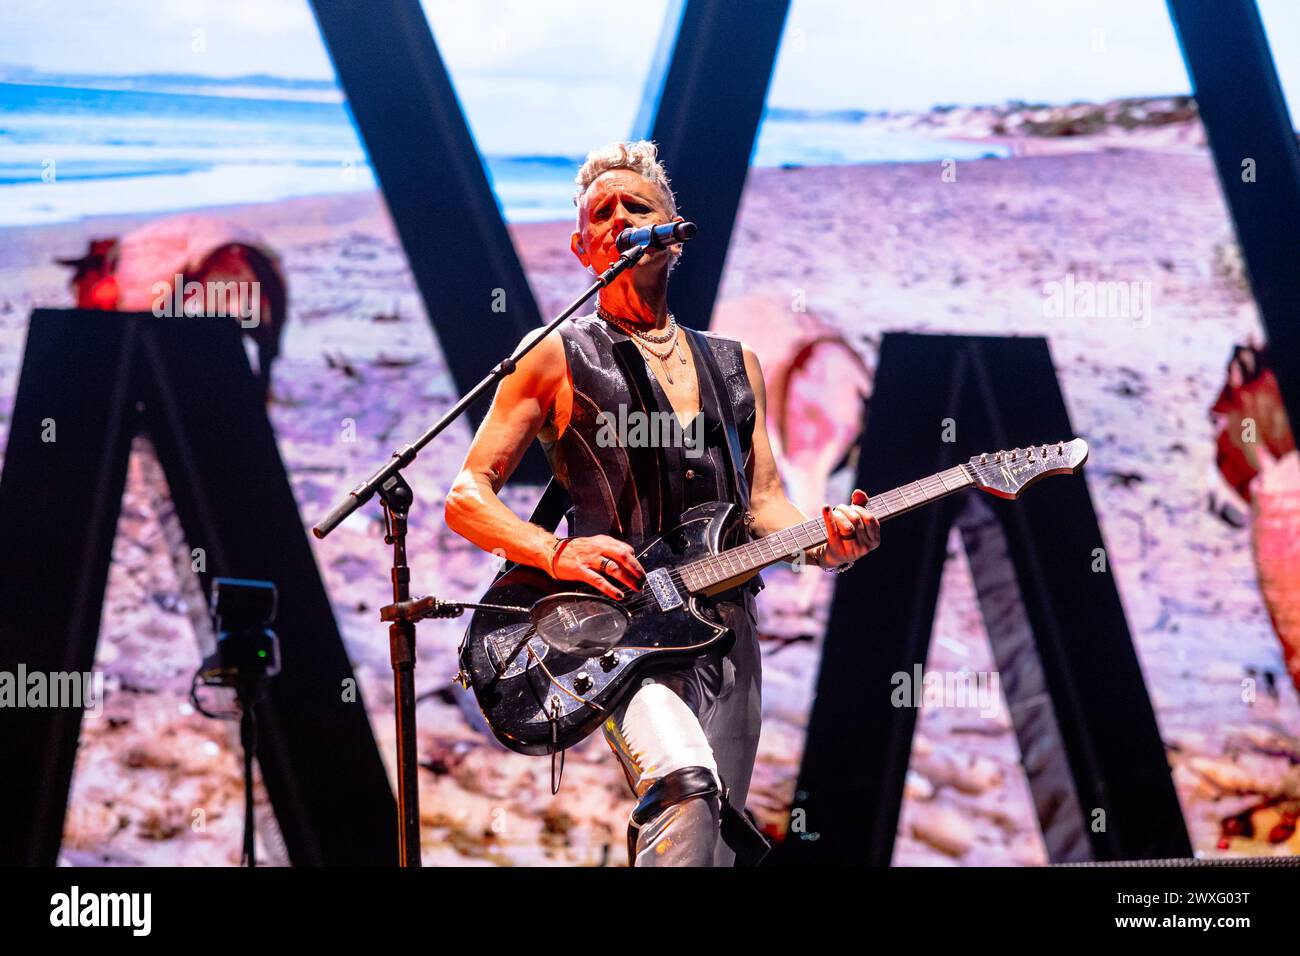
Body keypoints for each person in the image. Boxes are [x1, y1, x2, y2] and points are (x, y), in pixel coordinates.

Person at [444, 140, 880, 866]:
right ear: (584, 249)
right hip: (613, 623)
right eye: (601, 213)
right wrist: (558, 550)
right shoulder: (552, 352)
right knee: (683, 787)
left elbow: (765, 503)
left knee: (718, 846)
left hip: (728, 624)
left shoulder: (734, 364)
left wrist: (822, 542)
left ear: (673, 230)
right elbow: (466, 497)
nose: (620, 219)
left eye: (636, 206)